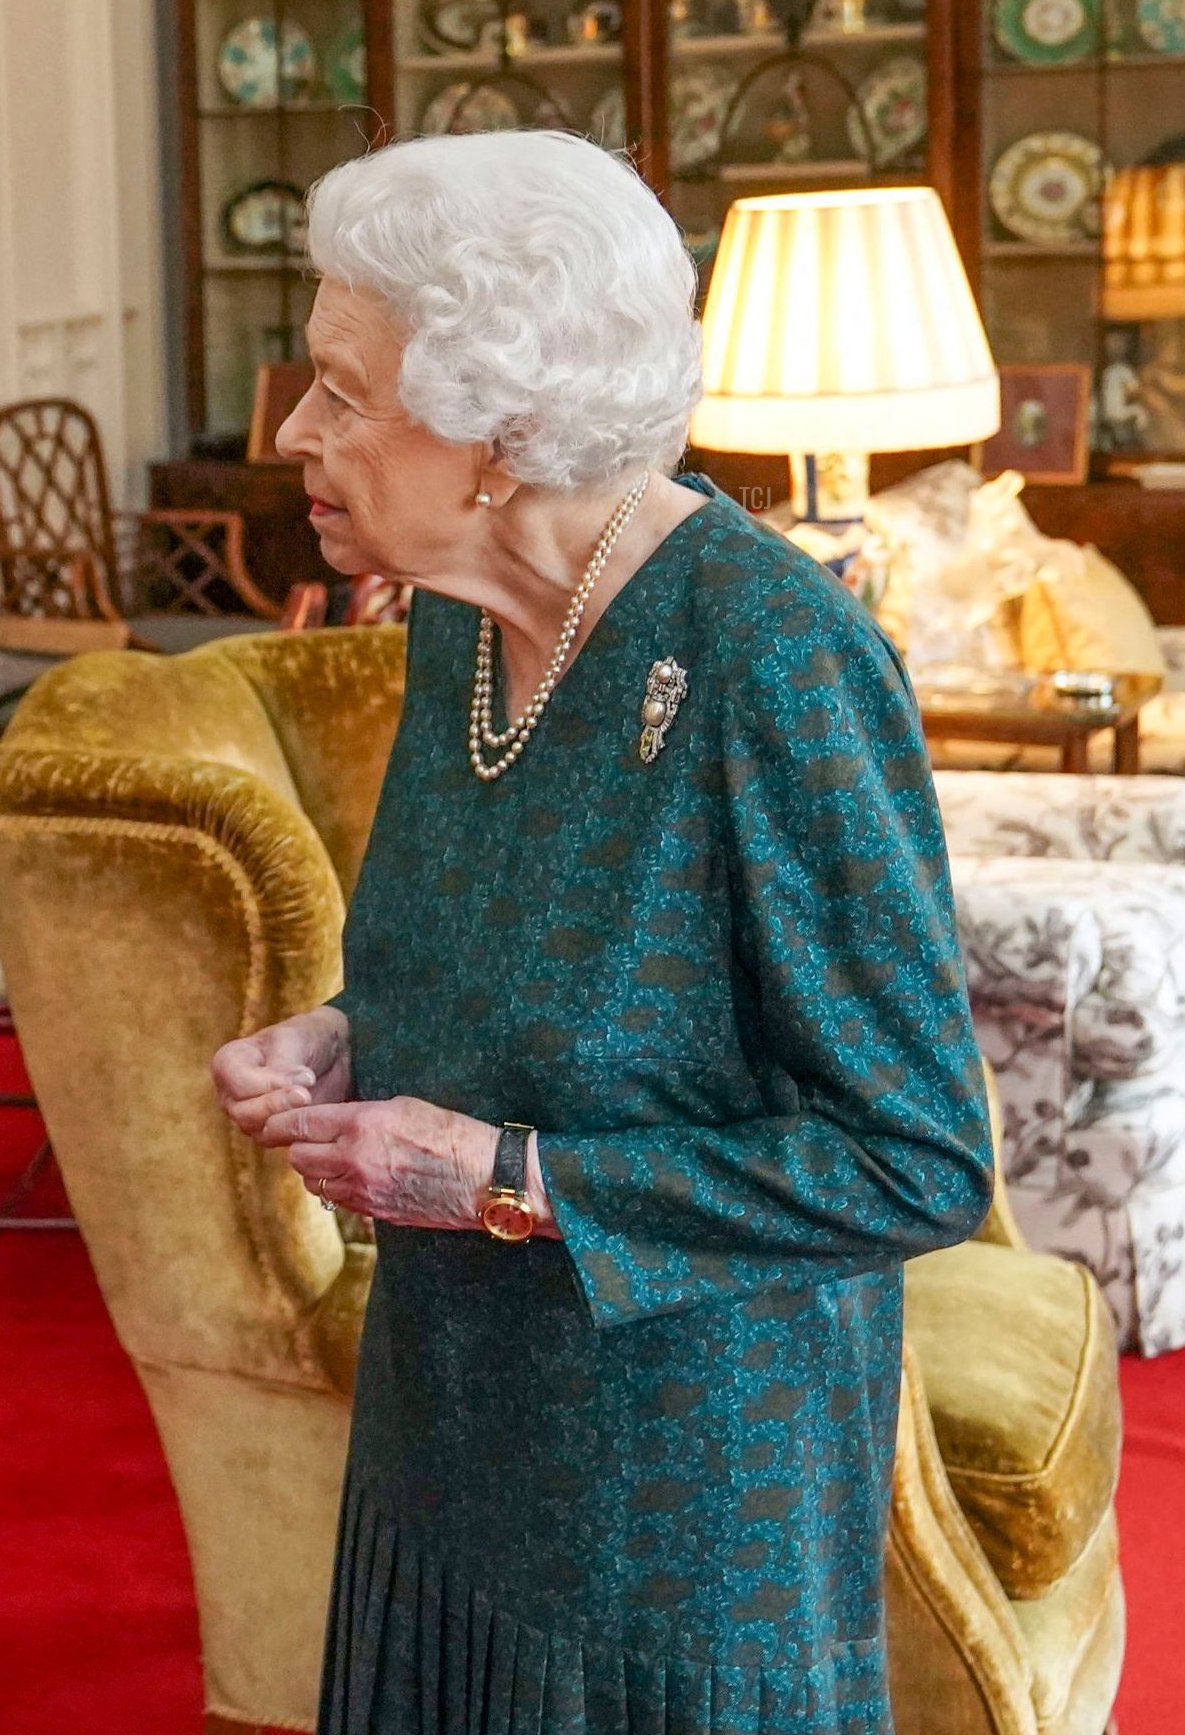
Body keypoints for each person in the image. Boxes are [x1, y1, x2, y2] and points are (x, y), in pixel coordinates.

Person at [211, 128, 994, 1735]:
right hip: (450, 1426)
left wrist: (505, 1180)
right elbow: (531, 953)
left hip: (680, 1511)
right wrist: (355, 1026)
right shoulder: (457, 618)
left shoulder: (774, 663)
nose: (293, 428)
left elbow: (913, 1158)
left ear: (499, 428)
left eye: (343, 391)